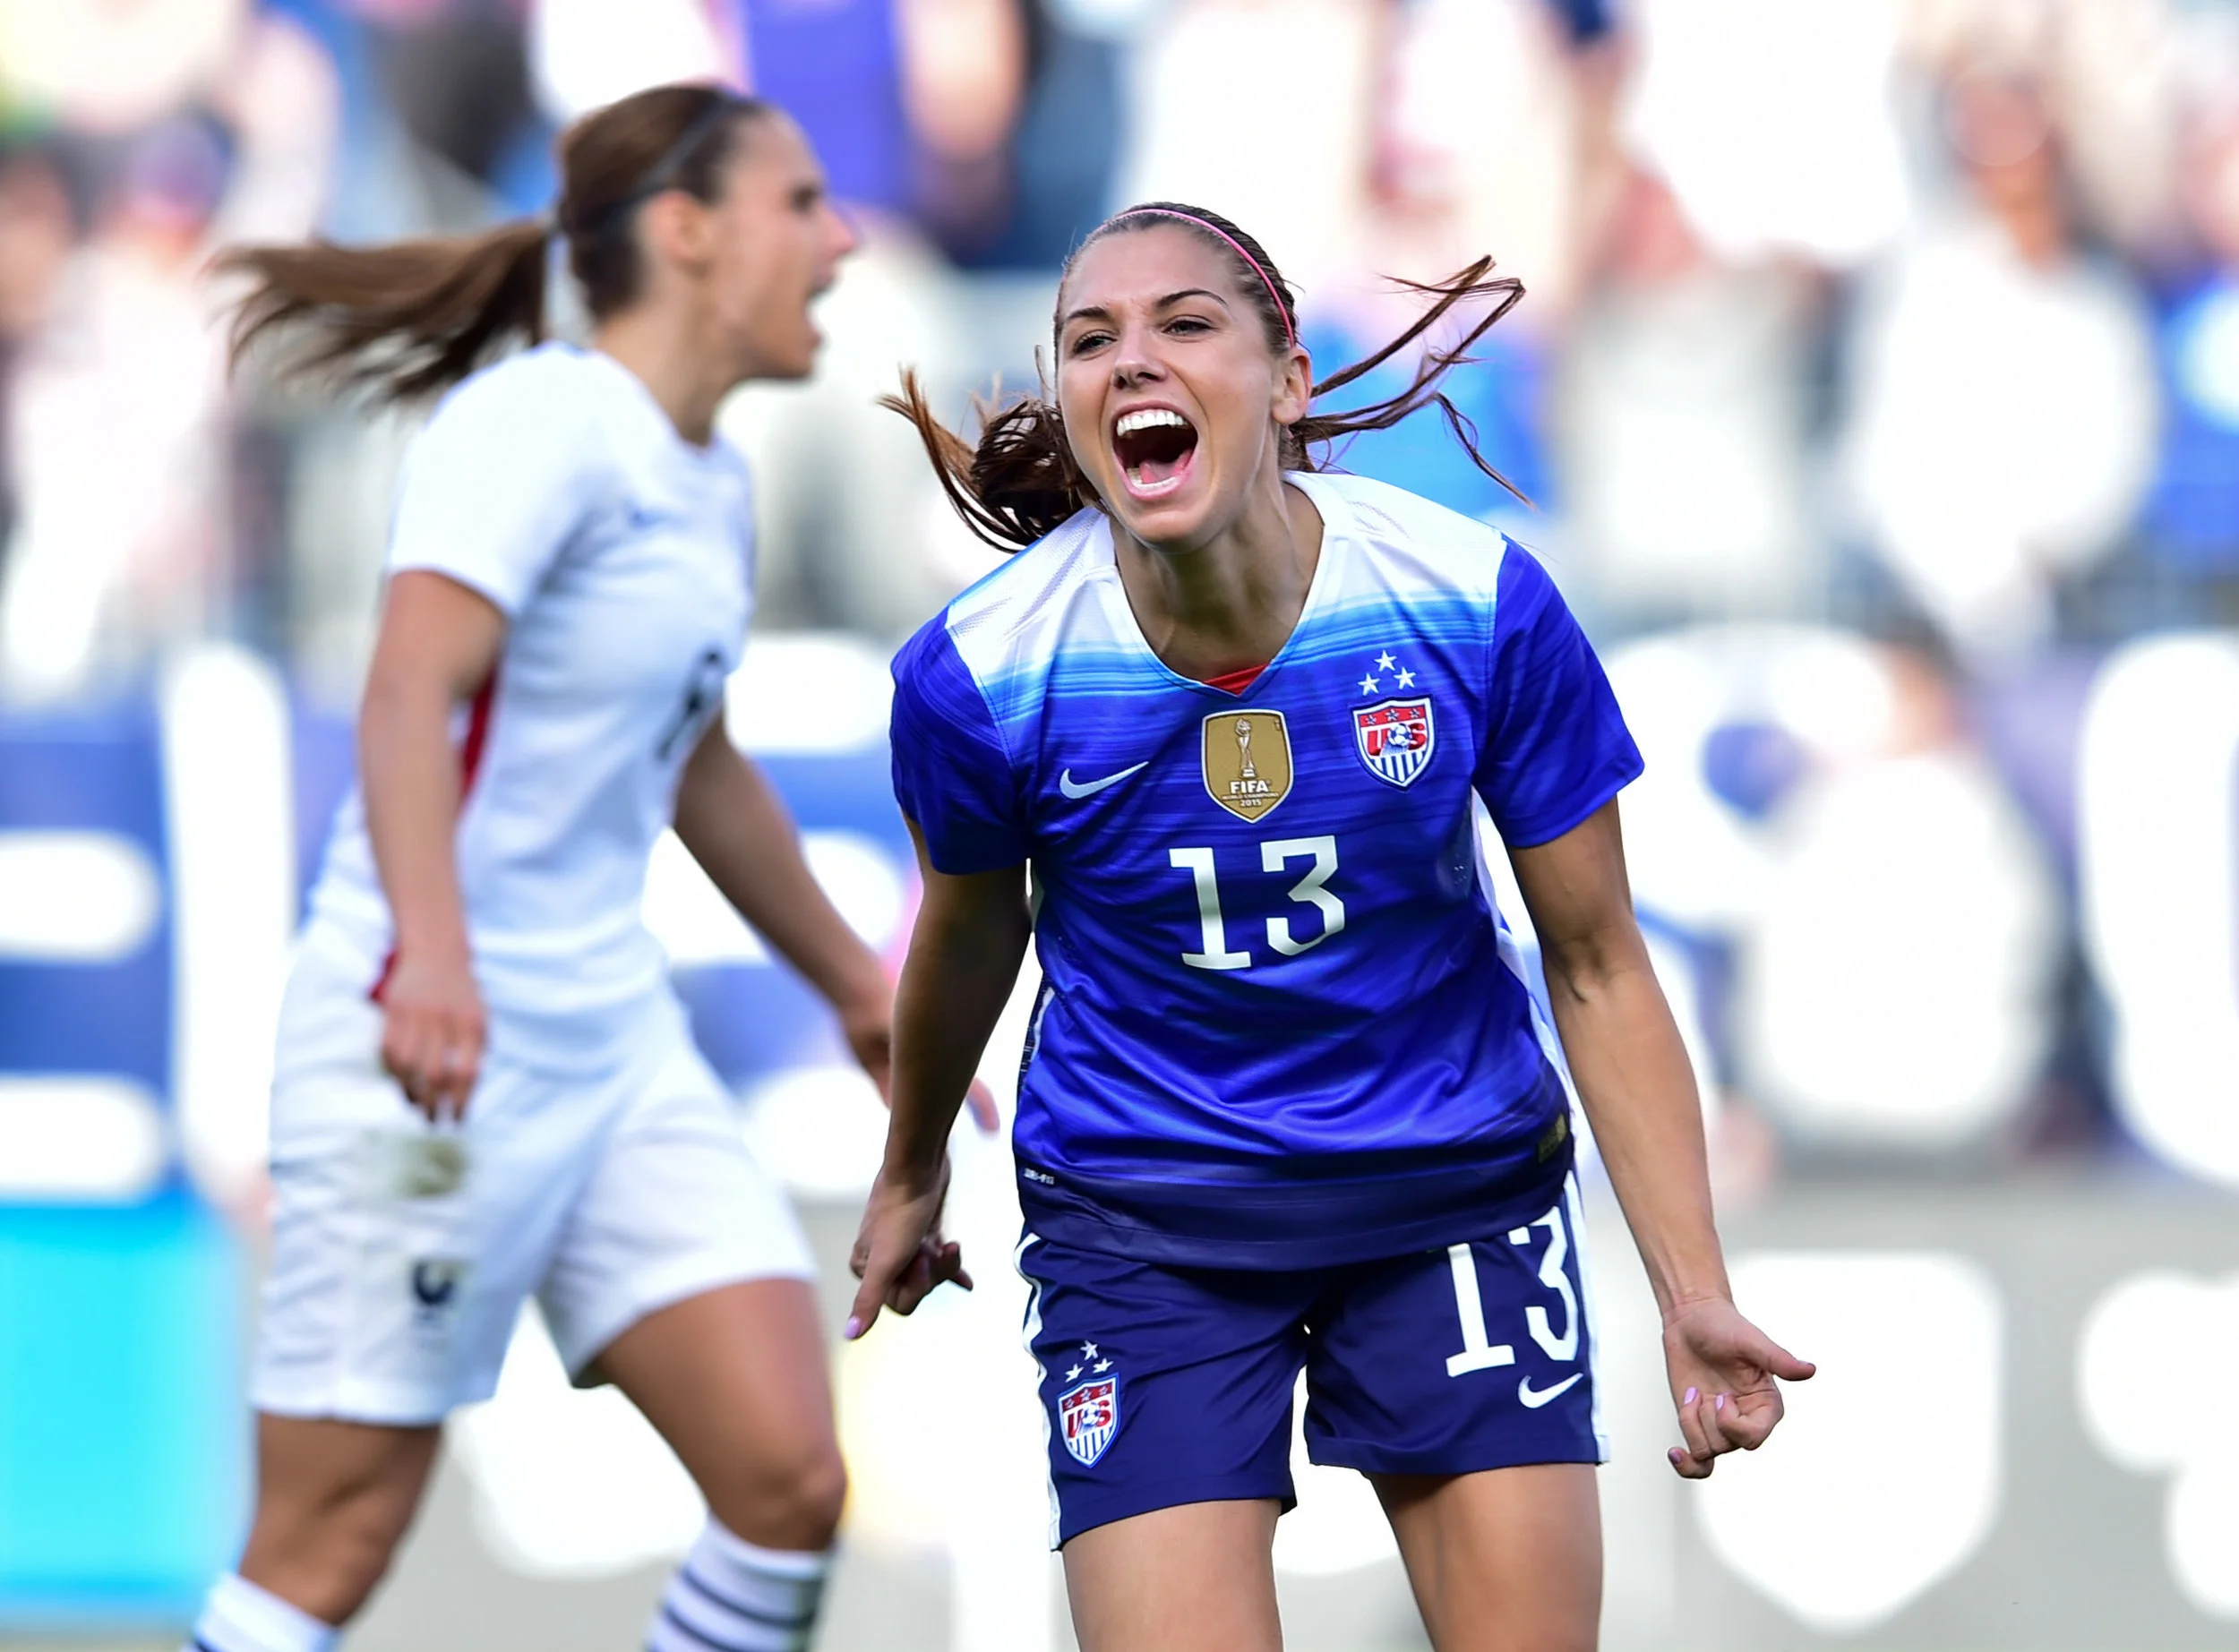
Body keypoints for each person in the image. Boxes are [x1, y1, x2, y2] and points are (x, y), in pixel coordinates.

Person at [848, 201, 1814, 1652]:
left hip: (1450, 1193)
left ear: (1289, 377)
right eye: (1090, 341)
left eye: (1185, 324)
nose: (1132, 362)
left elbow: (1599, 962)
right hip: (1148, 1220)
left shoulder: (1469, 602)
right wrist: (912, 1164)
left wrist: (1691, 1289)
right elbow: (971, 935)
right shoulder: (984, 673)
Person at [188, 83, 973, 1652]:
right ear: (685, 234)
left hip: (606, 1039)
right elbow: (411, 686)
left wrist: (862, 991)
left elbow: (695, 759)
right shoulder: (541, 421)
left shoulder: (707, 478)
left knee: (788, 1482)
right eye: (801, 204)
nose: (842, 239)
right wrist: (433, 953)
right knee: (323, 1550)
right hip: (429, 1046)